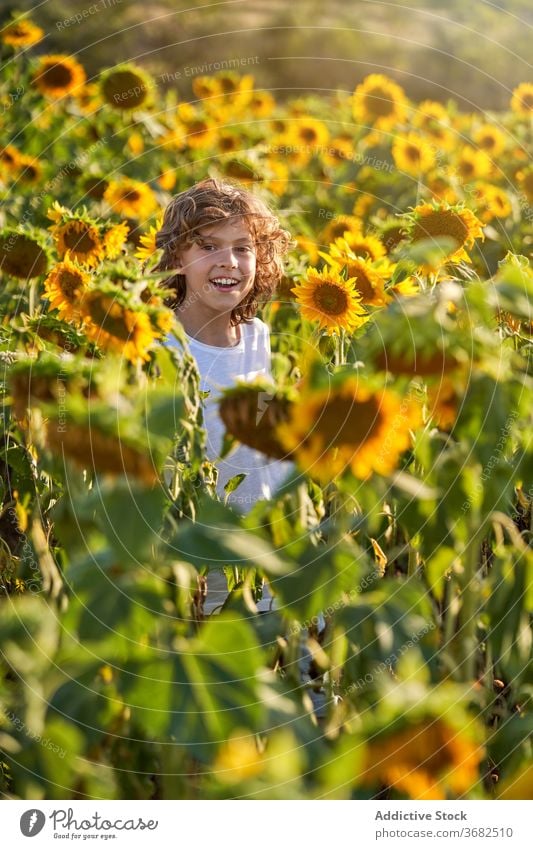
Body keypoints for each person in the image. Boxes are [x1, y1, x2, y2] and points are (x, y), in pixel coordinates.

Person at [155, 177, 294, 613]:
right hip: (197, 587)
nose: (228, 261)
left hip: (272, 577)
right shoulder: (159, 348)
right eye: (208, 246)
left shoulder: (261, 340)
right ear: (177, 255)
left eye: (243, 247)